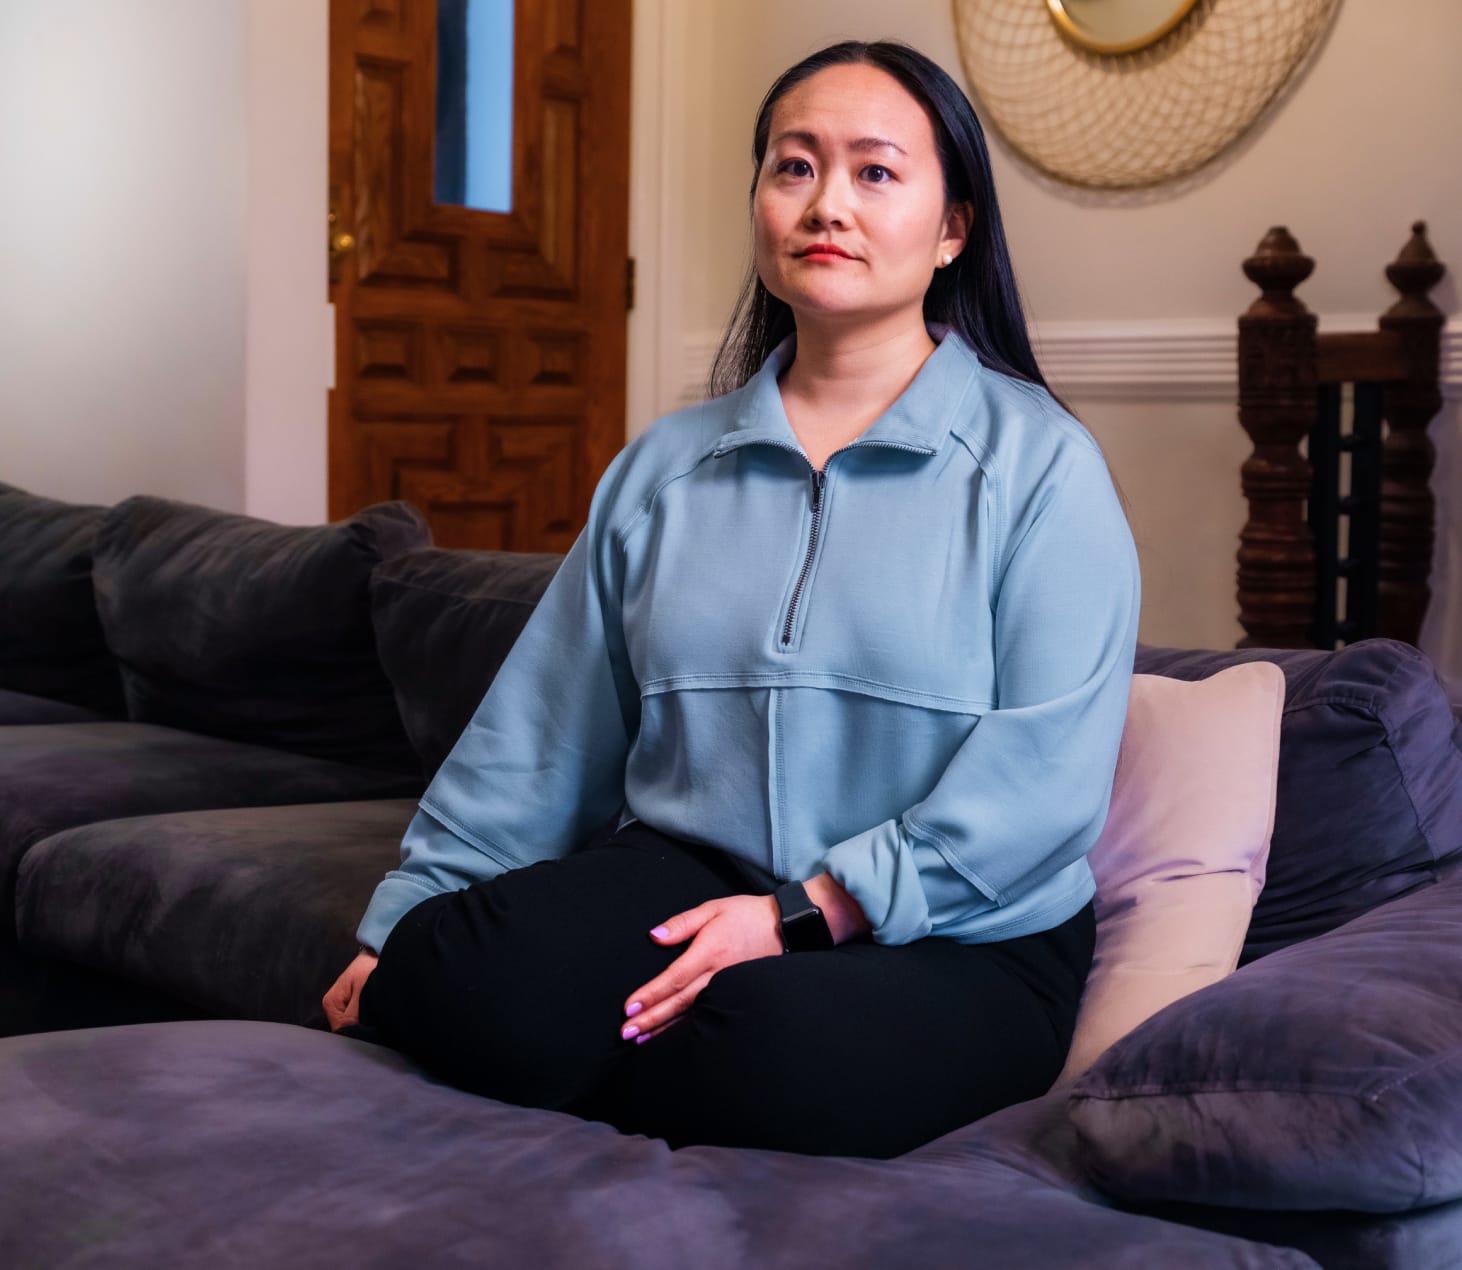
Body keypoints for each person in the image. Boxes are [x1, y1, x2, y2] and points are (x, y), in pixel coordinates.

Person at [323, 38, 1140, 1161]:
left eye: (875, 171)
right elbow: (544, 730)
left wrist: (803, 913)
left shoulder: (1040, 467)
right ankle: (636, 1056)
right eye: (794, 166)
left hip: (959, 929)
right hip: (691, 871)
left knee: (769, 1044)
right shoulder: (664, 467)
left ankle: (637, 1058)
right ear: (759, 204)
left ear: (953, 228)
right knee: (453, 965)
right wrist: (399, 923)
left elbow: (1041, 788)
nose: (826, 204)